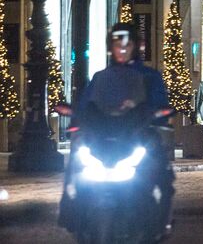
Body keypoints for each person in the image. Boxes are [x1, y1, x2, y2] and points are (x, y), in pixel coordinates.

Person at [64, 23, 174, 236]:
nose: (122, 49)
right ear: (110, 47)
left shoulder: (149, 76)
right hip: (104, 140)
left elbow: (159, 103)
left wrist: (157, 113)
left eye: (127, 44)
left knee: (162, 173)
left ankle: (160, 223)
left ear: (135, 46)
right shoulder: (101, 76)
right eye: (117, 45)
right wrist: (76, 116)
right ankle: (70, 212)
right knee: (76, 163)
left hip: (136, 136)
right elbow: (88, 104)